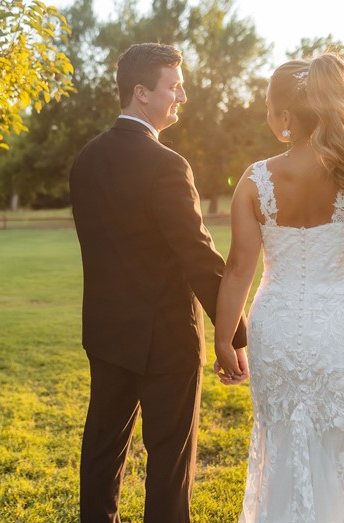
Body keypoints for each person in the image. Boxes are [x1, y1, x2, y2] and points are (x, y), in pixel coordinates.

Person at [213, 52, 344, 522]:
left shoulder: (254, 179)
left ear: (286, 117)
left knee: (283, 443)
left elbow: (239, 267)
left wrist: (226, 338)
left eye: (268, 108)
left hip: (278, 334)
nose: (267, 117)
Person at [70, 42, 249, 523]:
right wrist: (233, 334)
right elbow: (198, 254)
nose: (182, 97)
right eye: (174, 86)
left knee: (102, 453)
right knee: (169, 464)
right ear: (141, 93)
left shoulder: (86, 159)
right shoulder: (167, 164)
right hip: (168, 338)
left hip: (107, 333)